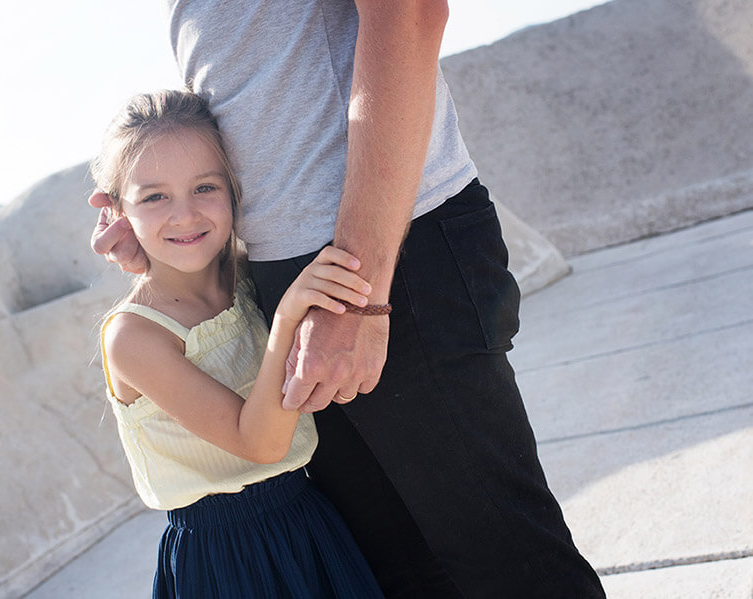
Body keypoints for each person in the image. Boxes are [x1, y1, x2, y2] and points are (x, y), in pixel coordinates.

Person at [91, 2, 606, 597]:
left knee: (506, 561)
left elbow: (409, 14)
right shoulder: (187, 306)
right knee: (402, 572)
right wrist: (162, 237)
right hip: (285, 275)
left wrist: (360, 295)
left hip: (376, 254)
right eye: (150, 198)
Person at [93, 89, 384, 598]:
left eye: (205, 186)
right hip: (225, 557)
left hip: (309, 518)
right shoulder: (134, 336)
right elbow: (260, 444)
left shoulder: (248, 278)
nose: (184, 215)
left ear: (233, 188)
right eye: (154, 196)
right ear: (118, 210)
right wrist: (290, 316)